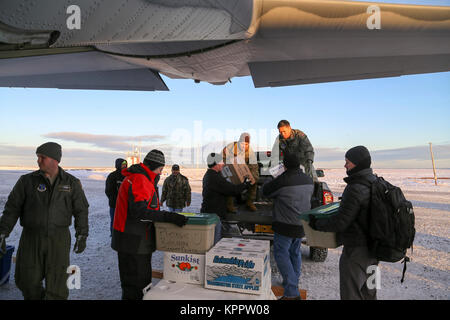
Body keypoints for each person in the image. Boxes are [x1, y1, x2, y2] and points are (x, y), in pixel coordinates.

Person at [0, 142, 89, 300]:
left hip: (59, 239)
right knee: (25, 280)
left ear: (55, 160)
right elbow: (12, 208)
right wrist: (2, 232)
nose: (38, 161)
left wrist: (82, 234)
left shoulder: (71, 183)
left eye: (42, 157)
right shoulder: (27, 181)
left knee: (58, 284)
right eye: (38, 157)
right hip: (31, 238)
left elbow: (81, 210)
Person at [111, 149, 188, 300]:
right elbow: (140, 212)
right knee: (137, 284)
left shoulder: (140, 178)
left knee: (136, 282)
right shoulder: (140, 179)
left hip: (132, 240)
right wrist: (169, 217)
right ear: (154, 166)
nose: (161, 172)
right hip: (133, 241)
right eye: (160, 168)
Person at [308, 145, 379, 300]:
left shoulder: (355, 188)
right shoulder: (375, 182)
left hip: (357, 251)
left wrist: (316, 224)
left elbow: (341, 222)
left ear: (358, 163)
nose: (345, 165)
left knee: (351, 293)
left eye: (348, 162)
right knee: (370, 292)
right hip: (376, 249)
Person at [262, 151, 313, 300]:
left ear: (284, 165)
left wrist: (271, 178)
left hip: (285, 225)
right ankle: (292, 282)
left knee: (281, 253)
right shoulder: (308, 179)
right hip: (301, 224)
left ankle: (291, 292)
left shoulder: (283, 180)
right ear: (299, 164)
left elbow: (265, 191)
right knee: (295, 253)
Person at [200, 152, 251, 243]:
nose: (223, 164)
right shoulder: (214, 178)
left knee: (213, 241)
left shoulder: (212, 175)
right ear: (215, 164)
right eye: (221, 162)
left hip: (211, 213)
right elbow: (232, 190)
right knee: (214, 243)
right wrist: (245, 185)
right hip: (213, 216)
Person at [222, 132, 259, 212]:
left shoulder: (250, 151)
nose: (244, 146)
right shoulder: (230, 148)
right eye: (242, 144)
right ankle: (229, 205)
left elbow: (254, 166)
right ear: (239, 142)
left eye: (246, 145)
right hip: (230, 170)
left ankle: (249, 202)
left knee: (253, 181)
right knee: (229, 183)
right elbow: (222, 161)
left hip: (243, 170)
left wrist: (253, 177)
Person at [105, 158, 128, 236]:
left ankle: (123, 235)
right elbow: (108, 191)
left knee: (125, 221)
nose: (124, 166)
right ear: (118, 165)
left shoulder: (128, 175)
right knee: (114, 221)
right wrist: (115, 199)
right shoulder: (112, 176)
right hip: (115, 204)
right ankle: (114, 235)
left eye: (125, 164)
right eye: (122, 164)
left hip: (126, 204)